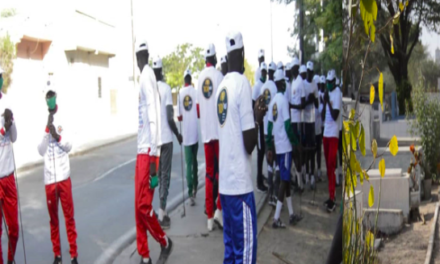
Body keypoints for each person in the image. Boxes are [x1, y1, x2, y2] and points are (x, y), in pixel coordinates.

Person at [216, 30, 267, 264]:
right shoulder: (243, 85)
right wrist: (257, 118)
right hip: (240, 189)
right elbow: (249, 144)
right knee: (245, 255)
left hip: (225, 188)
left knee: (231, 253)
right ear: (243, 53)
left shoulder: (221, 87)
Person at [134, 39, 172, 264]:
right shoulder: (146, 77)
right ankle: (144, 255)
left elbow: (153, 116)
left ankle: (164, 241)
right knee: (137, 208)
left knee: (143, 206)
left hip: (148, 152)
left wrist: (153, 154)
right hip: (142, 150)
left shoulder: (146, 76)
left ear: (140, 58)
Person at [37, 80, 79, 264]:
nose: (50, 99)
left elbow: (69, 145)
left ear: (56, 96)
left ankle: (73, 255)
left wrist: (58, 136)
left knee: (69, 217)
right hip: (49, 179)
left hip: (63, 177)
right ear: (45, 99)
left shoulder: (65, 116)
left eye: (52, 95)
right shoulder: (41, 119)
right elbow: (40, 150)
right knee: (53, 220)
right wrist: (47, 131)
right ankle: (57, 255)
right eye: (47, 96)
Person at [266, 69, 302, 228]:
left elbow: (269, 127)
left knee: (285, 181)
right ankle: (276, 218)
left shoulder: (273, 102)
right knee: (283, 181)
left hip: (277, 146)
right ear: (282, 84)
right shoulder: (283, 101)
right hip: (286, 146)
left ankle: (292, 214)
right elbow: (288, 126)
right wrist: (295, 142)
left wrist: (269, 146)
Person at [153, 57, 183, 230]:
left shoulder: (150, 89)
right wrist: (178, 134)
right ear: (162, 71)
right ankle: (162, 212)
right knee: (165, 176)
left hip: (155, 141)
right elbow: (169, 117)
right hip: (166, 139)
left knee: (157, 176)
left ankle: (160, 210)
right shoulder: (165, 88)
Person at [196, 44, 224, 231]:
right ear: (215, 58)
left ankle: (208, 217)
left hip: (206, 134)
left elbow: (198, 110)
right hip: (219, 134)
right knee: (222, 172)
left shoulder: (199, 79)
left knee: (208, 175)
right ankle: (219, 210)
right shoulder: (219, 76)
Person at [0, 66, 19, 264]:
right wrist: (1, 130)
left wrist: (11, 123)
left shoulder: (6, 102)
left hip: (8, 177)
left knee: (13, 229)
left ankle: (11, 259)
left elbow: (14, 137)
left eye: (1, 77)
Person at [178, 69, 199, 207]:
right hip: (195, 135)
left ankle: (190, 191)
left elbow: (179, 117)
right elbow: (198, 112)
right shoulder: (195, 92)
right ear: (190, 79)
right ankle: (196, 185)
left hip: (186, 135)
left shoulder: (180, 93)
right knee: (195, 162)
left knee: (188, 164)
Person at [321, 70, 341, 213]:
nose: (327, 84)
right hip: (325, 133)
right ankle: (330, 195)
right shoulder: (327, 94)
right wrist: (324, 101)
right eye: (326, 82)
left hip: (333, 134)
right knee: (328, 168)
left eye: (329, 82)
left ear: (334, 82)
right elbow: (323, 116)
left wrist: (327, 101)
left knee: (331, 165)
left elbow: (334, 115)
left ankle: (333, 199)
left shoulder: (337, 93)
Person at [260, 61, 279, 206]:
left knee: (269, 162)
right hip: (275, 130)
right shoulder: (276, 89)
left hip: (266, 130)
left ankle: (270, 195)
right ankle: (275, 194)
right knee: (276, 163)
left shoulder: (263, 87)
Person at [251, 62, 268, 193]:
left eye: (265, 72)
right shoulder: (257, 86)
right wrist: (256, 122)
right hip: (260, 123)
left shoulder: (266, 85)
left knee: (263, 152)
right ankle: (258, 181)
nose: (264, 74)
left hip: (266, 122)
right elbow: (252, 105)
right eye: (262, 72)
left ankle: (261, 177)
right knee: (260, 151)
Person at [302, 61, 319, 190]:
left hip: (312, 121)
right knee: (305, 150)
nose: (310, 74)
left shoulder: (314, 85)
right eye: (308, 72)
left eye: (311, 72)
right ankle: (306, 175)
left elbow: (317, 104)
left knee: (313, 149)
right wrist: (308, 99)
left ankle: (312, 177)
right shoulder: (303, 84)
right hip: (304, 121)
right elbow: (303, 103)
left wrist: (314, 98)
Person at [290, 63, 306, 191]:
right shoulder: (294, 81)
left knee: (298, 151)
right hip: (294, 121)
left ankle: (300, 183)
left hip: (299, 120)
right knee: (295, 151)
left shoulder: (300, 82)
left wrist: (292, 106)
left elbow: (302, 104)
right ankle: (298, 179)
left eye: (292, 68)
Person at [315, 75, 326, 182]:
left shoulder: (325, 96)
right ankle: (314, 172)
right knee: (314, 150)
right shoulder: (317, 96)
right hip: (316, 126)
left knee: (319, 150)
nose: (321, 86)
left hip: (323, 126)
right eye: (319, 84)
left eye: (322, 84)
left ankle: (319, 170)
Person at [335, 77, 343, 187]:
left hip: (338, 128)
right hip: (338, 129)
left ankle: (338, 175)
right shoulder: (338, 95)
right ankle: (338, 175)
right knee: (339, 153)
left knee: (338, 153)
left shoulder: (337, 95)